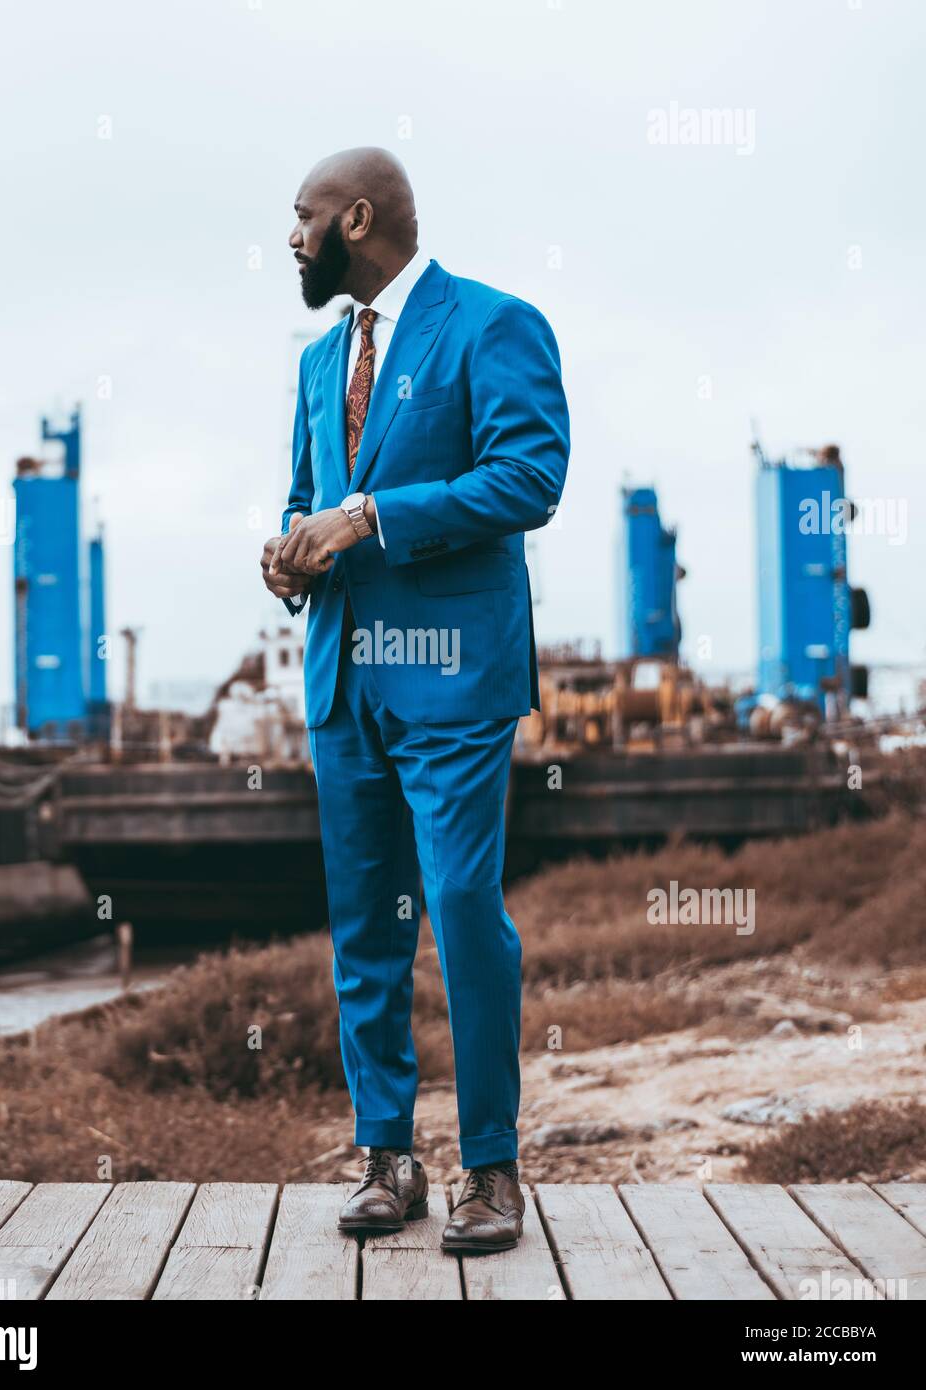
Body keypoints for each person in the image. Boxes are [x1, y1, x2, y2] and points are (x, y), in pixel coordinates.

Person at [261, 147, 570, 1253]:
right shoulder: (312, 362)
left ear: (355, 216)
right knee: (364, 928)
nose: (288, 238)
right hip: (344, 676)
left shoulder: (492, 323)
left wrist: (369, 515)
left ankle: (490, 1167)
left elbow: (529, 478)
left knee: (460, 909)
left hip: (452, 675)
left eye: (300, 218)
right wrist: (294, 548)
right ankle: (387, 1157)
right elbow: (307, 495)